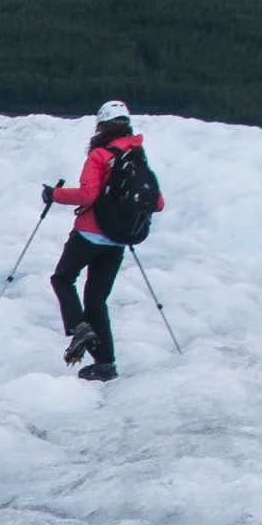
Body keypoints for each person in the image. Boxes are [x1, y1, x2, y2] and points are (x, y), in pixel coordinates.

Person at [46, 104, 162, 380]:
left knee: (62, 279)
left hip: (88, 235)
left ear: (101, 126)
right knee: (97, 300)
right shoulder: (136, 155)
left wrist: (54, 194)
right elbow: (157, 202)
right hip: (117, 241)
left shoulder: (100, 155)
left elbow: (88, 196)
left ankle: (79, 327)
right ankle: (106, 366)